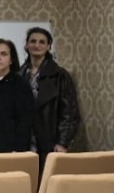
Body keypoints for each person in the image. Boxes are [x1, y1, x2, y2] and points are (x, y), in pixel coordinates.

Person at [19, 27, 81, 176]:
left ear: (48, 46)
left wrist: (62, 142)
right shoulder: (20, 74)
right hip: (25, 139)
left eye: (42, 42)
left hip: (49, 139)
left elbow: (70, 113)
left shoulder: (60, 75)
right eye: (33, 41)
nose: (37, 45)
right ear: (27, 45)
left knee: (46, 182)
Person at [0, 38, 35, 154]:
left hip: (8, 149)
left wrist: (18, 149)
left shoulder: (20, 85)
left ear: (11, 59)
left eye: (4, 54)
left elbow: (25, 120)